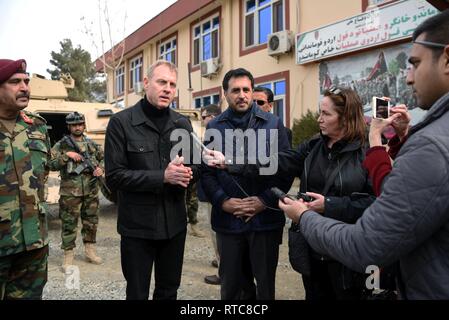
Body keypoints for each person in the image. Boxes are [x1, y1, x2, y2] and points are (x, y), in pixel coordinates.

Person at [278, 10, 449, 299]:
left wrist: (317, 211)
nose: (408, 79)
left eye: (415, 63)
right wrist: (234, 163)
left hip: (352, 269)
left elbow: (379, 206)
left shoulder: (422, 146)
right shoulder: (313, 146)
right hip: (314, 258)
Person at [105, 60, 198, 300]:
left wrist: (189, 172)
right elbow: (114, 176)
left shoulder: (181, 123)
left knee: (168, 291)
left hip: (175, 225)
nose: (168, 88)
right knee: (137, 293)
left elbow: (196, 165)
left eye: (172, 84)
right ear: (146, 83)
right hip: (138, 228)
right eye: (162, 82)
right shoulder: (121, 123)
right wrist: (163, 177)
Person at [201, 68, 293, 300]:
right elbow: (207, 173)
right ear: (225, 94)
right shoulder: (215, 127)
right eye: (235, 90)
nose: (241, 95)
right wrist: (223, 202)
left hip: (264, 222)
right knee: (232, 289)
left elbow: (284, 170)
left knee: (264, 289)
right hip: (228, 223)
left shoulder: (273, 124)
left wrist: (263, 201)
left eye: (246, 90)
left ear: (252, 92)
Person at [0, 59, 51, 300]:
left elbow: (43, 175)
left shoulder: (37, 127)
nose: (24, 87)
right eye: (15, 82)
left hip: (33, 244)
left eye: (27, 81)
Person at [49, 112, 104, 272]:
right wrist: (67, 155)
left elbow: (103, 158)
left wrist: (101, 169)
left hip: (91, 190)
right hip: (69, 192)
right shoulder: (61, 145)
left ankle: (90, 251)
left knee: (91, 222)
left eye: (80, 124)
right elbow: (50, 163)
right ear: (69, 127)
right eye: (74, 125)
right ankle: (68, 256)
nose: (77, 127)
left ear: (84, 125)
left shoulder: (91, 144)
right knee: (68, 223)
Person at [198, 104, 222, 285]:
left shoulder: (215, 134)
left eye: (204, 116)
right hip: (214, 192)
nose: (202, 120)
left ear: (212, 117)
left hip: (215, 193)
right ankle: (221, 261)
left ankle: (223, 270)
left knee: (217, 232)